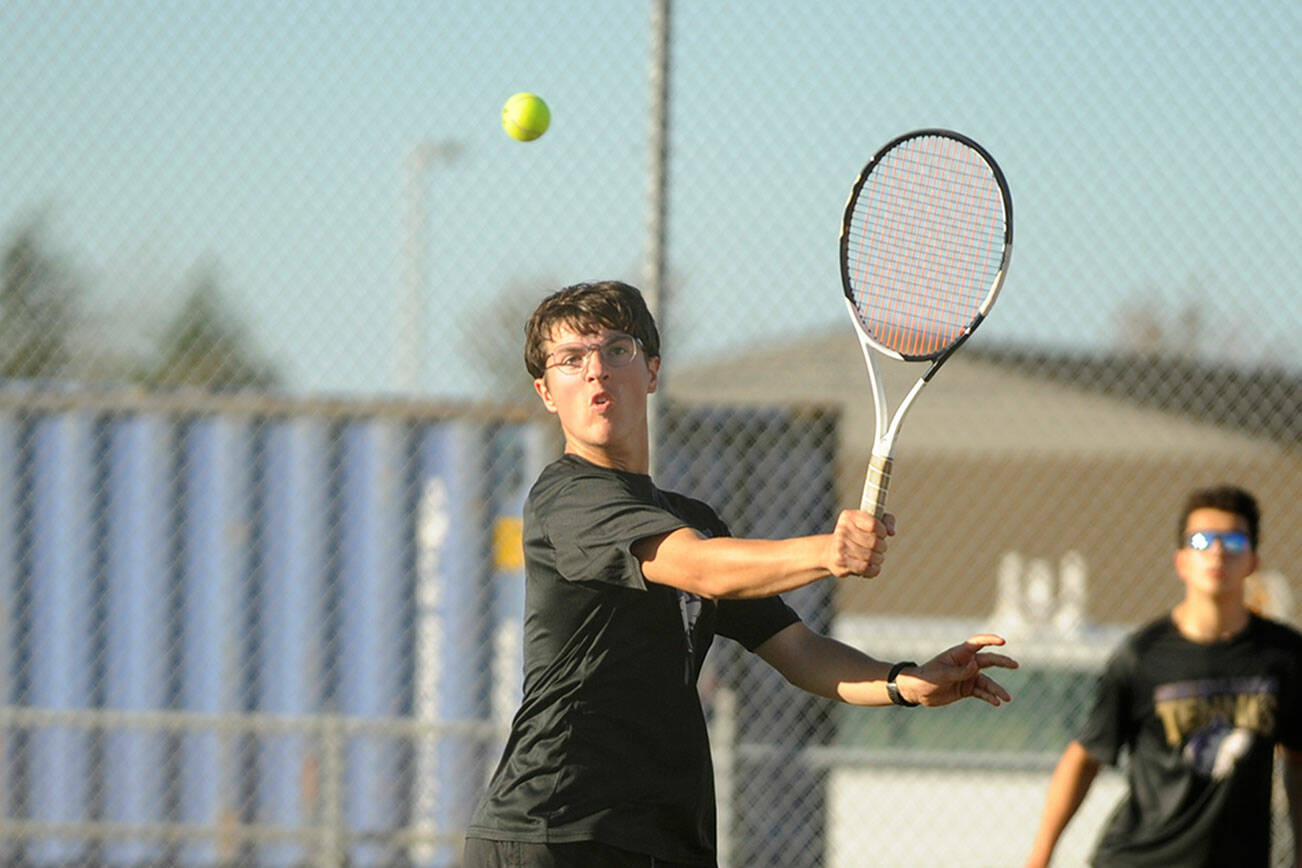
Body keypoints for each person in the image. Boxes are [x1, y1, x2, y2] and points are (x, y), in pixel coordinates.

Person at [463, 280, 1019, 868]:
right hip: (556, 833)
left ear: (652, 371)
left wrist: (905, 683)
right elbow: (699, 569)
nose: (596, 372)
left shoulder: (693, 520)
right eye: (571, 361)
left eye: (616, 350)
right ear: (546, 392)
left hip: (666, 840)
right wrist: (829, 551)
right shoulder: (567, 498)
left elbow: (800, 650)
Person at [1025, 485, 1302, 868]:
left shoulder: (1284, 656)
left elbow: (1297, 759)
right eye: (1202, 540)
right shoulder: (1142, 656)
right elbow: (1083, 758)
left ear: (1253, 560)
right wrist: (1039, 859)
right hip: (1141, 859)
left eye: (1234, 540)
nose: (1218, 551)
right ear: (1181, 561)